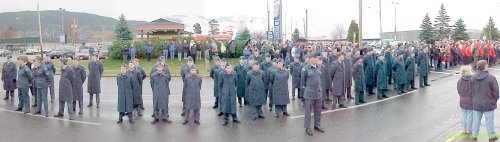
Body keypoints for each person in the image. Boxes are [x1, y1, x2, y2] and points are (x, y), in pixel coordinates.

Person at [471, 60, 499, 141]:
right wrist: (494, 100)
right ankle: (491, 136)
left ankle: (474, 135)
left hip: (477, 102)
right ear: (484, 67)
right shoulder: (491, 78)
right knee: (489, 121)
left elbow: (471, 90)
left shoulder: (473, 77)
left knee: (476, 121)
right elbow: (496, 91)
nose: (488, 65)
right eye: (487, 65)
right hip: (488, 103)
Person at [302, 53, 325, 136]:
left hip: (318, 93)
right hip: (309, 93)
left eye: (317, 58)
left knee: (318, 111)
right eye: (314, 58)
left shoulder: (319, 67)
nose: (316, 59)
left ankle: (317, 125)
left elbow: (319, 79)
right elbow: (303, 82)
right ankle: (307, 127)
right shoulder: (305, 69)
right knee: (308, 112)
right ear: (310, 59)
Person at [457, 65, 473, 137]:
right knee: (470, 115)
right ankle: (469, 130)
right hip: (471, 100)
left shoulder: (460, 80)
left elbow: (459, 90)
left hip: (462, 99)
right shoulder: (472, 80)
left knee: (463, 115)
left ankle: (464, 129)